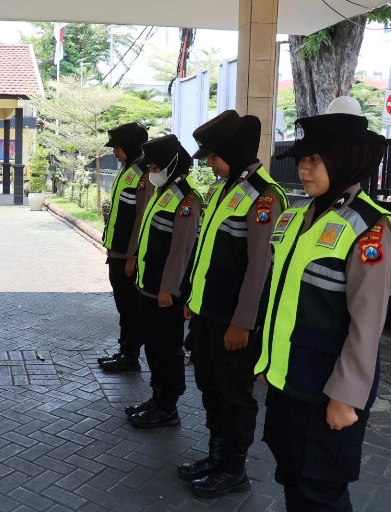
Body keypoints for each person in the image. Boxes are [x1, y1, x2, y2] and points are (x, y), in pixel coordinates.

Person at [255, 112, 391, 511]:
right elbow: (280, 295)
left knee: (322, 491)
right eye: (302, 159)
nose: (304, 167)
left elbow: (367, 324)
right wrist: (267, 362)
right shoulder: (296, 214)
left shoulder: (369, 228)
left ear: (343, 159)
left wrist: (345, 398)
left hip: (327, 389)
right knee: (292, 474)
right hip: (288, 380)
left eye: (315, 158)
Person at [181, 110, 287, 498]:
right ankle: (216, 455)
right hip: (209, 314)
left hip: (234, 323)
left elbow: (260, 267)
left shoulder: (264, 196)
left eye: (213, 155)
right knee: (211, 388)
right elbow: (207, 252)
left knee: (234, 396)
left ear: (232, 150)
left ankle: (233, 468)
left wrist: (242, 323)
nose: (209, 163)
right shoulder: (226, 189)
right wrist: (193, 301)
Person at [126, 135, 200, 428]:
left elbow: (181, 250)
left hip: (165, 294)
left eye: (156, 165)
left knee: (168, 351)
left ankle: (168, 406)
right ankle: (157, 398)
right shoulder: (164, 193)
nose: (151, 170)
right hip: (150, 287)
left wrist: (168, 288)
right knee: (154, 347)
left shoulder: (186, 199)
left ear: (173, 164)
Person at [98, 122, 151, 372]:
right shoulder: (128, 169)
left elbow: (141, 219)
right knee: (123, 305)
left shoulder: (143, 173)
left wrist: (132, 256)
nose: (114, 152)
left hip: (127, 256)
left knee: (130, 308)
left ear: (129, 146)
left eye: (117, 147)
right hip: (116, 252)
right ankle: (124, 350)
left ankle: (131, 356)